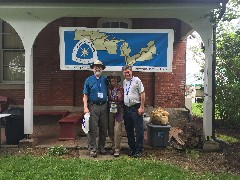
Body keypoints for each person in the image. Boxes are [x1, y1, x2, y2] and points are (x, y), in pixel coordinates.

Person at [83, 60, 108, 158]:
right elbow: (85, 95)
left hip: (104, 106)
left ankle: (101, 147)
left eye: (99, 67)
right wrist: (85, 107)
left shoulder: (105, 80)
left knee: (103, 128)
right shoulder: (88, 80)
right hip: (93, 106)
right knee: (92, 129)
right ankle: (92, 148)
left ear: (102, 69)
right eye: (96, 67)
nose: (97, 68)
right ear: (93, 68)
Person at [122, 65, 145, 158]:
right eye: (125, 72)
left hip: (136, 108)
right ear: (123, 73)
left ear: (131, 72)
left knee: (138, 130)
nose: (127, 74)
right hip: (127, 109)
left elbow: (142, 93)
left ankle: (139, 150)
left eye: (128, 72)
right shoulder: (124, 82)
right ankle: (132, 149)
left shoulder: (137, 80)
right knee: (129, 130)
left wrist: (142, 107)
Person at [107, 72, 124, 157]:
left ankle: (117, 148)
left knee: (117, 129)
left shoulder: (121, 88)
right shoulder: (108, 88)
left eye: (115, 78)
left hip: (119, 110)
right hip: (110, 110)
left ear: (117, 79)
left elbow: (122, 99)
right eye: (112, 78)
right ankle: (114, 145)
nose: (113, 79)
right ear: (110, 80)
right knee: (110, 129)